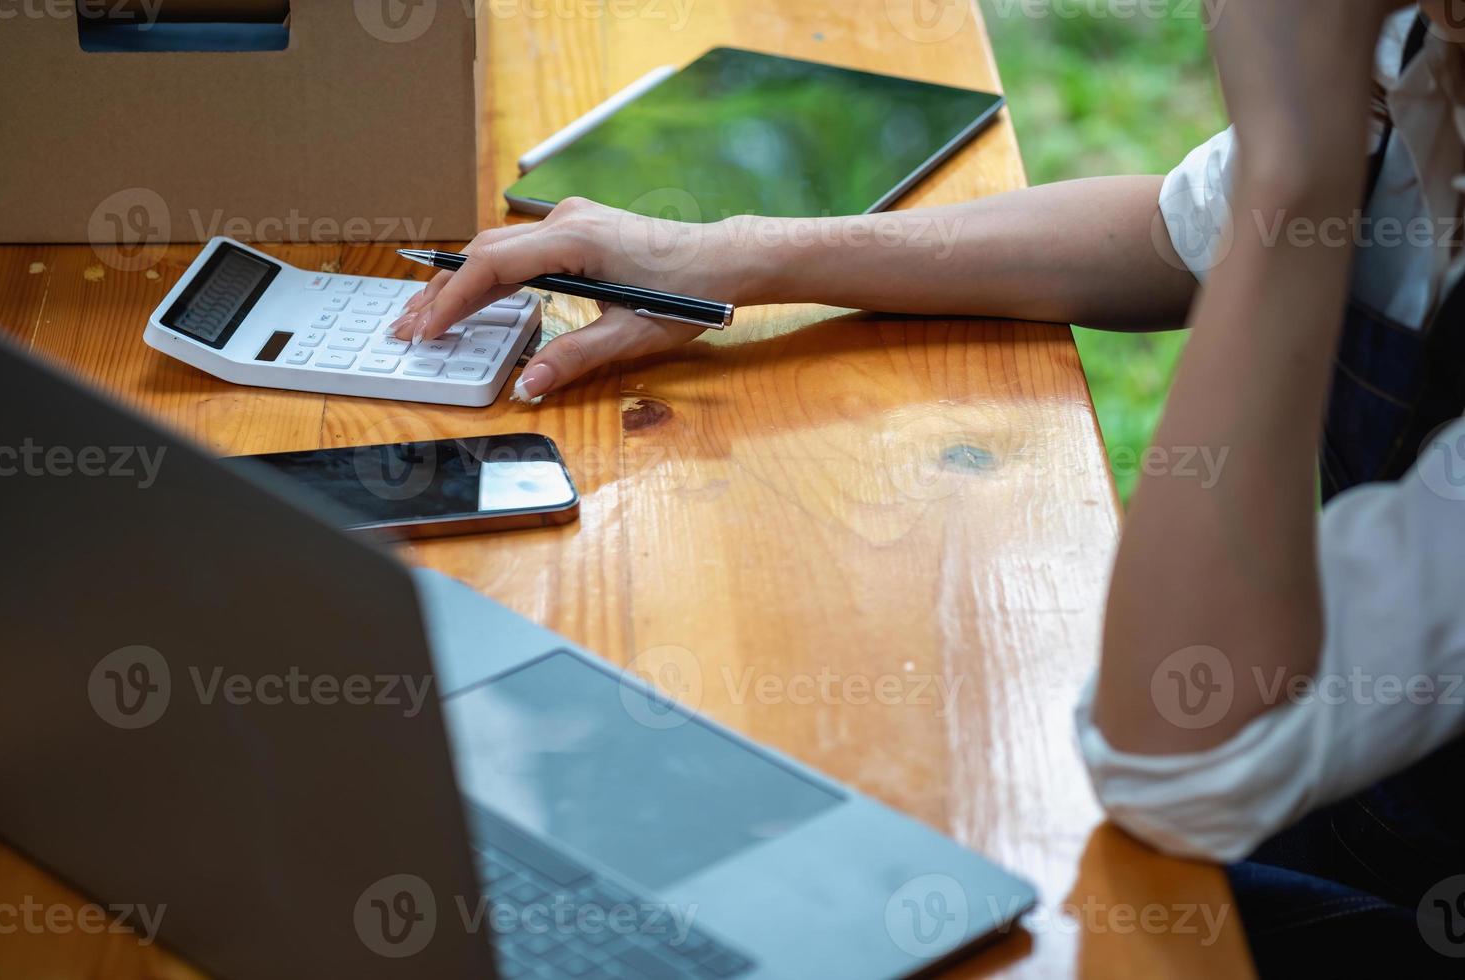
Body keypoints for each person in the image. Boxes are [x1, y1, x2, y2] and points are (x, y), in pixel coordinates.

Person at [390, 3, 1465, 973]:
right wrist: (729, 255)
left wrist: (1296, 167)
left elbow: (1173, 761)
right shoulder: (1407, 58)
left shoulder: (1342, 115)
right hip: (1333, 791)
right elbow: (1173, 235)